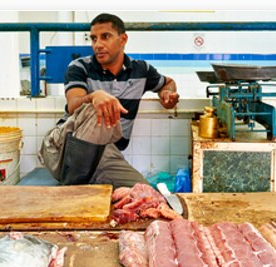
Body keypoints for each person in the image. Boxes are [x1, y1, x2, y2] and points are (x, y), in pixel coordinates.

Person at [38, 13, 180, 188]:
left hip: (105, 156)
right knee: (93, 108)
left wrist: (168, 95)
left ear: (123, 39)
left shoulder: (140, 70)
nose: (98, 45)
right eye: (94, 39)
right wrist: (94, 96)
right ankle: (72, 190)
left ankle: (82, 188)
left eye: (105, 37)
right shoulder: (79, 67)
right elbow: (73, 104)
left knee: (145, 194)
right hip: (64, 151)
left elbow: (168, 83)